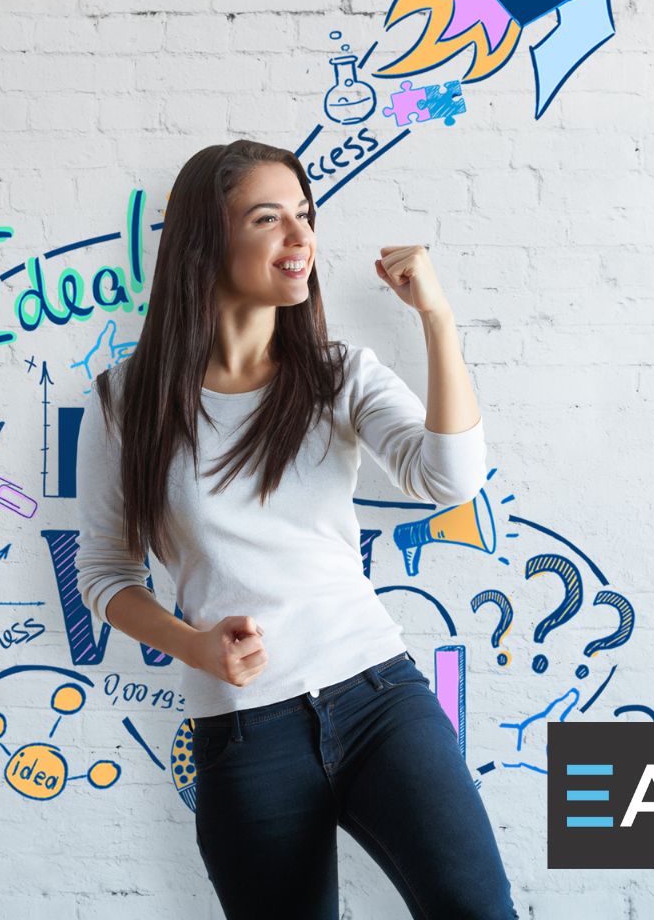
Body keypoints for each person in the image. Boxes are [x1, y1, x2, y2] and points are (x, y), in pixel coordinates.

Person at [75, 138, 519, 920]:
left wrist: (438, 320)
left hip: (379, 697)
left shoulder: (338, 373)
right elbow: (107, 575)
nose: (300, 237)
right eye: (268, 218)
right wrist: (195, 644)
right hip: (245, 735)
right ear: (207, 239)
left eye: (305, 216)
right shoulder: (124, 401)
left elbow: (448, 478)